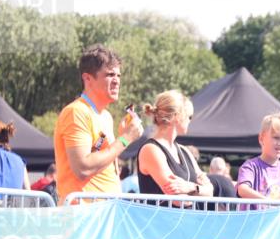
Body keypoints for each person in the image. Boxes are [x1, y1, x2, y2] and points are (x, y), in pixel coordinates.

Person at [54, 45, 143, 204]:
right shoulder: (76, 112)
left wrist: (122, 138)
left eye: (118, 75)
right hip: (83, 215)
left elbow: (101, 158)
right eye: (110, 75)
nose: (116, 81)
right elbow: (83, 168)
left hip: (104, 213)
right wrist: (125, 139)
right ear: (87, 78)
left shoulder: (106, 116)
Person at [138, 90, 212, 207]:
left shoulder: (184, 151)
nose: (190, 121)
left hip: (188, 222)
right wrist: (200, 191)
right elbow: (179, 200)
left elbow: (210, 192)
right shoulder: (151, 150)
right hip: (162, 223)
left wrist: (190, 187)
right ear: (177, 117)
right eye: (189, 117)